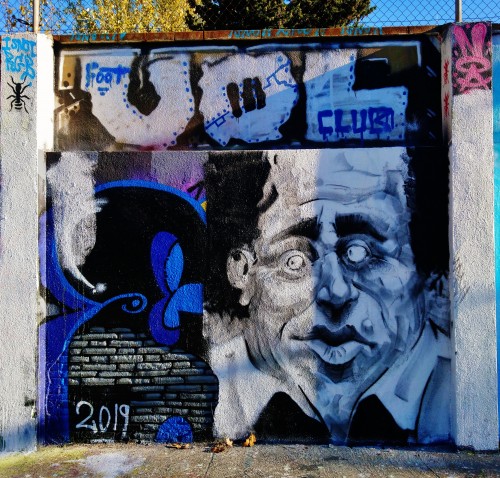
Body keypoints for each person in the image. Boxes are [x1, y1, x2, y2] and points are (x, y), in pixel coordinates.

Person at [203, 148, 451, 445]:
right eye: (294, 261)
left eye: (359, 252)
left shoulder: (464, 384)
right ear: (242, 271)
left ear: (421, 267)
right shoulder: (206, 382)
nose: (336, 293)